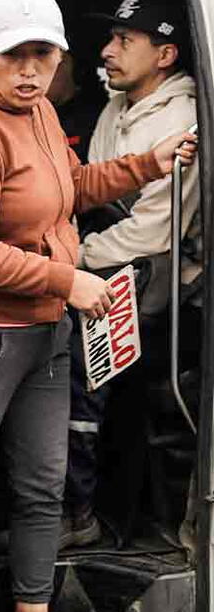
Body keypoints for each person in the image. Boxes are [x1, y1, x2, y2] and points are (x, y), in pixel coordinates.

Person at [0, 0, 196, 612]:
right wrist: (69, 279)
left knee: (41, 494)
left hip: (45, 334)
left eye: (43, 55)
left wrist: (146, 164)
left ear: (59, 57)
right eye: (14, 55)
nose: (29, 70)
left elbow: (69, 189)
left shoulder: (42, 112)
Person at [61, 0, 200, 549]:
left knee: (79, 381)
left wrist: (72, 259)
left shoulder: (183, 121)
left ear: (165, 54)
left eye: (125, 41)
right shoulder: (117, 106)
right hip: (102, 264)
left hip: (156, 282)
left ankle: (79, 512)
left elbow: (151, 236)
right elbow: (93, 187)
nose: (106, 52)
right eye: (111, 38)